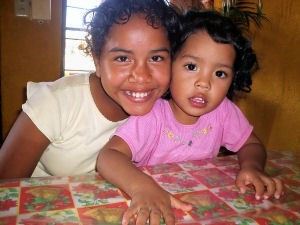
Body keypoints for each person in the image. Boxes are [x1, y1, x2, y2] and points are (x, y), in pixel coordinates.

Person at [97, 10, 284, 225]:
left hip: (206, 209)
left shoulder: (224, 111)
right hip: (155, 208)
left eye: (220, 73)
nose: (204, 83)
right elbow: (108, 156)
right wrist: (143, 187)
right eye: (191, 67)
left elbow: (251, 143)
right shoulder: (152, 116)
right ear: (169, 66)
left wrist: (252, 166)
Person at [0, 0, 182, 178]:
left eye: (156, 58)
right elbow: (6, 189)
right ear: (98, 62)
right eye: (122, 59)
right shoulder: (54, 103)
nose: (141, 76)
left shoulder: (167, 111)